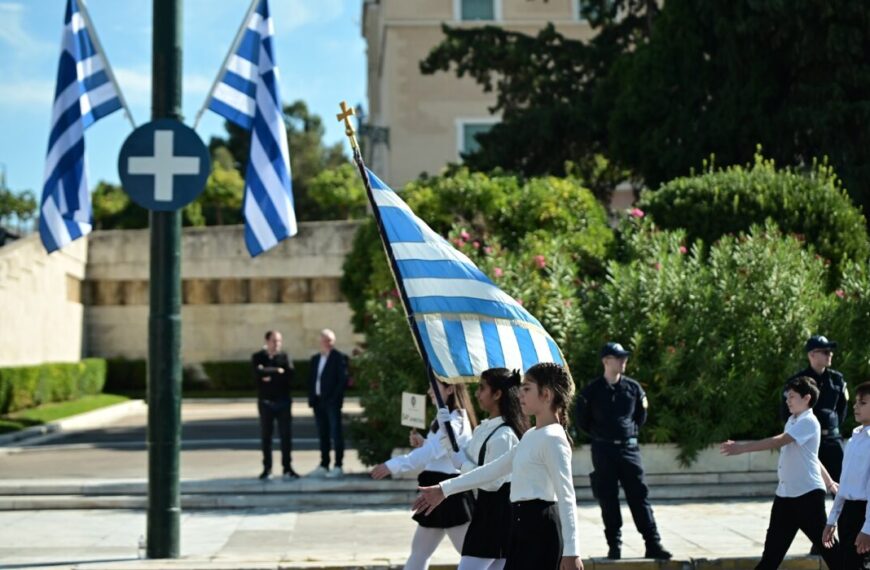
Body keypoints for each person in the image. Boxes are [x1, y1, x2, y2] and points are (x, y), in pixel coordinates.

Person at [414, 362, 583, 570]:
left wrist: (572, 551)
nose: (520, 394)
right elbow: (492, 470)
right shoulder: (531, 435)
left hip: (541, 528)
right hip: (520, 526)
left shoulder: (553, 438)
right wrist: (444, 489)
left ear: (546, 395)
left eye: (527, 388)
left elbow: (566, 496)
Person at [721, 376, 841, 569]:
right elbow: (812, 456)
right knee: (770, 557)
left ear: (806, 398)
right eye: (787, 396)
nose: (787, 400)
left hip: (807, 496)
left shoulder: (809, 421)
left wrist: (742, 448)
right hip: (785, 496)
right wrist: (829, 482)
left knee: (831, 552)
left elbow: (778, 441)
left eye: (792, 396)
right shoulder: (793, 420)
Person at [575, 342, 671, 560]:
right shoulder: (591, 391)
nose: (623, 361)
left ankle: (652, 543)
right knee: (608, 499)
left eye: (624, 357)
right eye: (619, 357)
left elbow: (640, 417)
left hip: (629, 450)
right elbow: (583, 420)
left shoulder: (633, 388)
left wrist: (628, 434)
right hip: (603, 450)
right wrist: (602, 436)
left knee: (639, 496)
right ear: (606, 361)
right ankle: (614, 546)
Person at [370, 379, 477, 570]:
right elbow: (435, 450)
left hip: (449, 492)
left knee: (472, 557)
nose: (429, 391)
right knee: (419, 553)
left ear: (451, 389)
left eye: (434, 387)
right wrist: (423, 442)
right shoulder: (443, 418)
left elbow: (434, 452)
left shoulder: (456, 419)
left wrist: (393, 465)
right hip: (435, 490)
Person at [442, 368, 529, 570]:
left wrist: (461, 464)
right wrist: (448, 436)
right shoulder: (485, 428)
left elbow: (492, 482)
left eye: (482, 388)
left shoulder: (504, 435)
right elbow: (471, 458)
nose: (477, 394)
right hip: (486, 510)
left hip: (497, 514)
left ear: (498, 394)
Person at [782, 335, 849, 483]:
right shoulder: (797, 382)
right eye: (825, 351)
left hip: (832, 441)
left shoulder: (837, 379)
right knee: (807, 487)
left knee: (840, 485)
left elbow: (842, 409)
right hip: (806, 442)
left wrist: (832, 426)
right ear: (812, 354)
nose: (830, 354)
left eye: (830, 351)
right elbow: (787, 411)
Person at [823, 381, 870, 569]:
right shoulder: (854, 439)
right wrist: (832, 519)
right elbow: (845, 484)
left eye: (863, 403)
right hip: (849, 513)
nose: (856, 406)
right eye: (856, 402)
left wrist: (867, 529)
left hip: (865, 514)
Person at [251, 330, 298, 480]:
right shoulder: (258, 357)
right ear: (267, 341)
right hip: (265, 402)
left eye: (279, 341)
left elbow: (289, 375)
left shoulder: (284, 356)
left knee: (286, 436)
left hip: (283, 401)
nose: (277, 344)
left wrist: (269, 374)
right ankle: (267, 468)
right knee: (266, 436)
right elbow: (257, 375)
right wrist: (277, 371)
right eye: (274, 341)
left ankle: (287, 468)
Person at [307, 329, 350, 478]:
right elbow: (312, 380)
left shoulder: (339, 358)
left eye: (330, 340)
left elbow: (342, 381)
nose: (328, 343)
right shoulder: (315, 359)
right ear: (320, 341)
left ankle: (338, 465)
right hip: (318, 403)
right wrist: (312, 398)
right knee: (322, 434)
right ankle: (324, 464)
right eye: (325, 340)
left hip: (332, 403)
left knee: (336, 433)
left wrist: (334, 398)